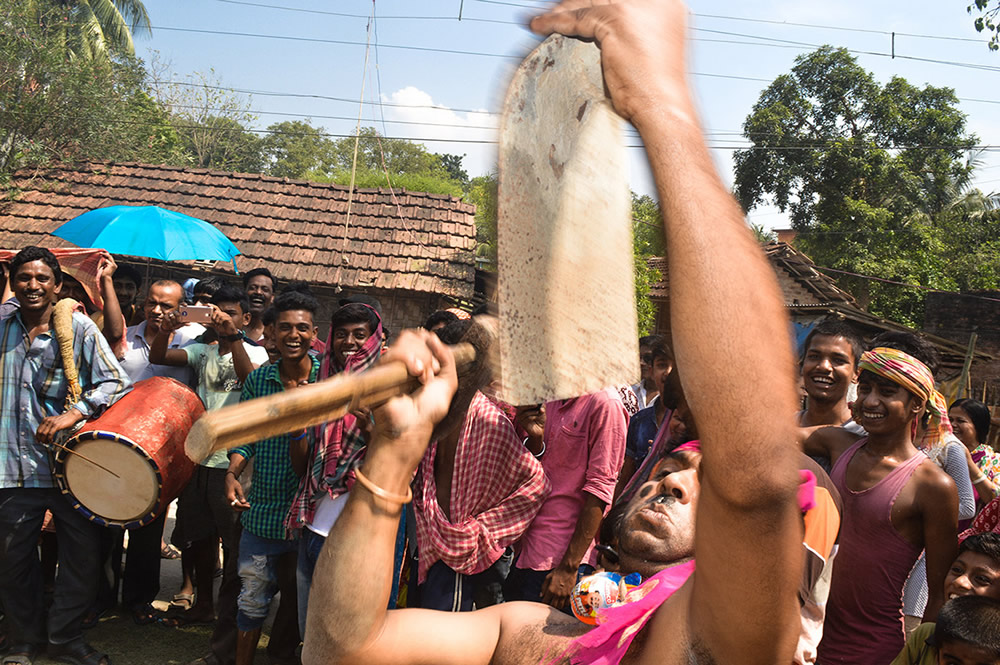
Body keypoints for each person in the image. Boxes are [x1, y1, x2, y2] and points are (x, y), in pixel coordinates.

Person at [301, 2, 806, 662]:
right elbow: (340, 647)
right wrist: (396, 447)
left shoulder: (719, 641)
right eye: (674, 467)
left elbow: (758, 477)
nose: (674, 483)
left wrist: (660, 102)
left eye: (704, 488)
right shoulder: (526, 630)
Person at [0, 246, 132, 665]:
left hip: (67, 467)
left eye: (42, 279)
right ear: (13, 283)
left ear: (57, 285)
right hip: (10, 466)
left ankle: (64, 640)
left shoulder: (78, 328)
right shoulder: (0, 325)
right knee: (12, 559)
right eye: (24, 277)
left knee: (82, 557)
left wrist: (73, 413)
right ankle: (22, 639)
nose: (33, 285)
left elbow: (115, 381)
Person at [808, 332, 960, 664]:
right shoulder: (838, 445)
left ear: (917, 403)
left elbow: (938, 592)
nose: (870, 401)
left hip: (875, 650)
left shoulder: (933, 485)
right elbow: (771, 437)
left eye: (887, 392)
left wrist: (924, 655)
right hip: (811, 636)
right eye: (865, 390)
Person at [410, 319, 550, 611]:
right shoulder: (432, 406)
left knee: (444, 639)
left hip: (457, 547)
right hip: (427, 538)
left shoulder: (488, 418)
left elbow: (536, 482)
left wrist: (481, 530)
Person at [225, 290, 321, 665]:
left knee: (303, 607)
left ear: (315, 333)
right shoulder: (259, 381)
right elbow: (245, 438)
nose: (293, 335)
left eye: (302, 328)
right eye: (285, 328)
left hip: (311, 519)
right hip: (262, 513)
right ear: (271, 333)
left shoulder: (329, 382)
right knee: (251, 601)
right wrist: (233, 472)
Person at [285, 300, 385, 636]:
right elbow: (302, 466)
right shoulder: (323, 386)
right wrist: (299, 426)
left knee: (346, 630)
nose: (349, 343)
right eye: (341, 334)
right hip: (315, 522)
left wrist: (370, 427)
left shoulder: (390, 389)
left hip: (358, 530)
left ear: (374, 340)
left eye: (360, 335)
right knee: (312, 625)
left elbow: (398, 464)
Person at [503, 385, 627, 610]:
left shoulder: (604, 404)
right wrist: (535, 440)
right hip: (526, 550)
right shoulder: (546, 397)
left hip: (561, 562)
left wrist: (568, 569)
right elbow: (531, 471)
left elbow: (600, 491)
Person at [616, 335, 674, 496]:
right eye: (662, 365)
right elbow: (626, 477)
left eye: (673, 366)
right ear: (652, 370)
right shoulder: (639, 421)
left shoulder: (689, 422)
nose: (667, 372)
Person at [951, 398, 999, 506]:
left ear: (978, 426)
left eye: (960, 420)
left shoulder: (994, 461)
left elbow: (996, 501)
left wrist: (969, 463)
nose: (952, 424)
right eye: (950, 419)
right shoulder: (940, 454)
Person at [243, 268, 276, 343]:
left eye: (265, 289)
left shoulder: (274, 334)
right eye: (253, 288)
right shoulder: (233, 328)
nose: (258, 292)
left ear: (272, 297)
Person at [630, 334, 663, 409]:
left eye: (648, 358)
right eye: (639, 357)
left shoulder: (673, 399)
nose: (641, 363)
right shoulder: (630, 392)